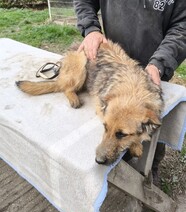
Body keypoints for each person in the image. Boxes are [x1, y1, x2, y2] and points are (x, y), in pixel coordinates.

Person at [73, 0, 186, 185]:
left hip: (153, 73)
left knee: (153, 136)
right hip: (117, 70)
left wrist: (160, 63)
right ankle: (120, 169)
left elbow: (182, 25)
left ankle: (150, 172)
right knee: (119, 132)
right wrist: (91, 28)